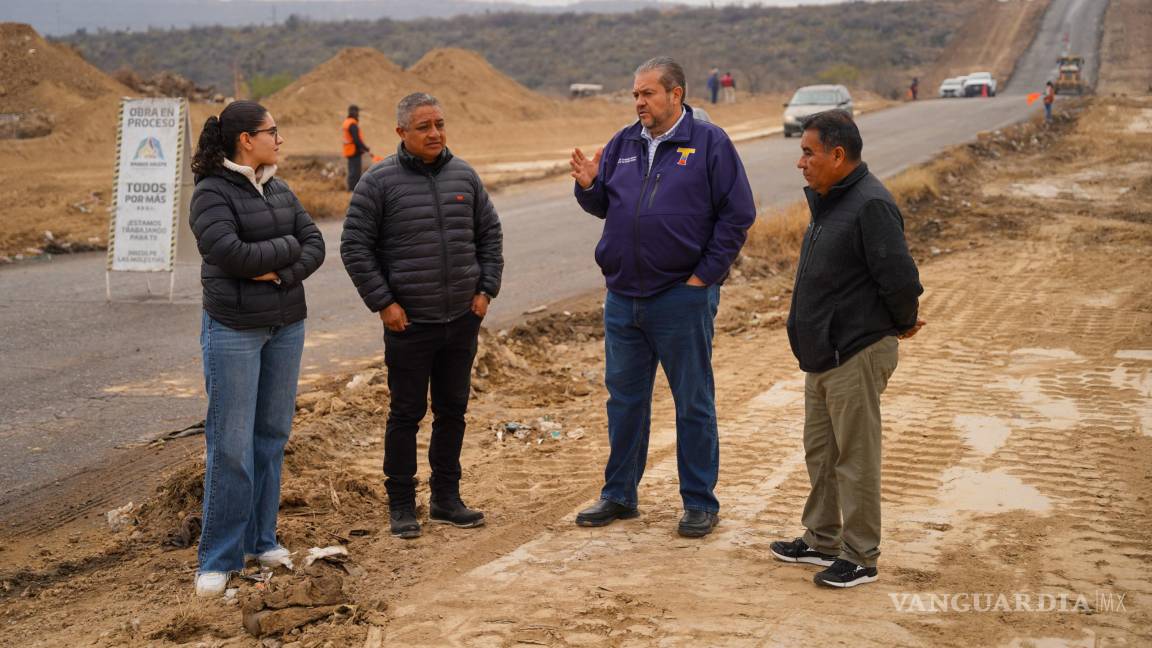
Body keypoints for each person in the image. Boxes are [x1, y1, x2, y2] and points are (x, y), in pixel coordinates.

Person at [569, 57, 755, 538]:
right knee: (625, 401)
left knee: (692, 401)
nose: (639, 103)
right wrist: (589, 184)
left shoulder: (709, 143)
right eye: (635, 94)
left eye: (648, 93)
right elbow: (604, 205)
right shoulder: (623, 142)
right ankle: (619, 494)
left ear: (676, 94)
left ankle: (699, 501)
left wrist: (704, 277)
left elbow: (737, 215)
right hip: (623, 297)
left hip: (680, 296)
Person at [770, 110, 924, 588]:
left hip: (855, 352)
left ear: (838, 155)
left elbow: (900, 280)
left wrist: (897, 325)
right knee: (821, 451)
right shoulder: (832, 201)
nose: (801, 162)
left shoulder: (869, 204)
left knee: (855, 457)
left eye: (808, 152)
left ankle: (860, 556)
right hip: (824, 355)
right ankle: (821, 539)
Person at [341, 92, 503, 539]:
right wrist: (384, 303)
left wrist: (486, 288)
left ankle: (446, 500)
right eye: (424, 127)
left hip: (460, 320)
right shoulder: (377, 183)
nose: (435, 133)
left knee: (453, 411)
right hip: (409, 323)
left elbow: (489, 233)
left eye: (439, 124)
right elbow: (354, 248)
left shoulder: (464, 175)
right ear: (401, 133)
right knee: (406, 414)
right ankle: (401, 505)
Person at [189, 100, 326, 597]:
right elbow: (227, 252)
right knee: (230, 444)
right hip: (234, 328)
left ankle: (261, 541)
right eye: (273, 131)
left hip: (286, 325)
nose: (280, 139)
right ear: (246, 139)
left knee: (270, 436)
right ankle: (218, 559)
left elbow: (314, 244)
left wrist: (276, 269)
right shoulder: (210, 194)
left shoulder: (279, 187)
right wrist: (279, 253)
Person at [343, 105, 371, 191]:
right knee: (355, 172)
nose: (358, 114)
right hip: (354, 151)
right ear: (353, 112)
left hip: (349, 150)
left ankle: (351, 189)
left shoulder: (347, 122)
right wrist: (365, 148)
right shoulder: (352, 124)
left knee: (352, 171)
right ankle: (353, 190)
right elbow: (356, 139)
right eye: (357, 112)